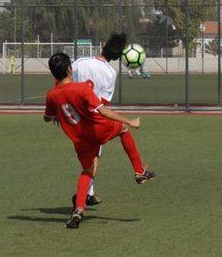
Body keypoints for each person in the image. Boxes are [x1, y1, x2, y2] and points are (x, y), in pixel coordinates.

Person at [45, 52, 156, 229]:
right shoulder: (82, 89)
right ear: (69, 69)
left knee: (88, 170)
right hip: (98, 129)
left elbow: (48, 117)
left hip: (80, 139)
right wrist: (129, 121)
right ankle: (139, 171)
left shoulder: (51, 95)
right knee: (124, 130)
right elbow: (103, 111)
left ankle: (78, 211)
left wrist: (59, 115)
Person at [70, 32, 126, 206]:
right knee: (93, 161)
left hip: (75, 119)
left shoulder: (80, 63)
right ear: (117, 57)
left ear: (104, 46)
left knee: (87, 158)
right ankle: (82, 197)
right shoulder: (110, 73)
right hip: (94, 121)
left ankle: (90, 193)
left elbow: (66, 83)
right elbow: (103, 103)